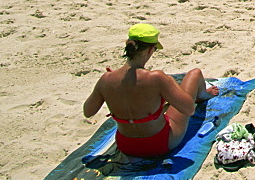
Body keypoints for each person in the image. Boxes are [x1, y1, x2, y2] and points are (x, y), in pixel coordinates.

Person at [82, 24, 218, 158]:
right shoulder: (156, 78)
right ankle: (203, 94)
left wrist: (110, 89)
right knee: (194, 74)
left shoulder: (107, 79)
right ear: (150, 50)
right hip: (159, 144)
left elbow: (88, 112)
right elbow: (189, 109)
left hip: (126, 146)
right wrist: (169, 83)